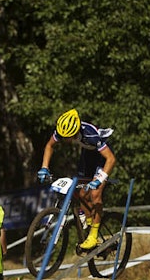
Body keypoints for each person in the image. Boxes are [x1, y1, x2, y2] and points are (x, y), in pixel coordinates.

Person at [36, 108, 117, 252]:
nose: (65, 140)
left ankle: (93, 235)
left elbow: (111, 159)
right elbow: (49, 146)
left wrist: (100, 179)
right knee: (81, 193)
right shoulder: (62, 130)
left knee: (95, 194)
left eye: (68, 137)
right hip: (87, 156)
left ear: (76, 131)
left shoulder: (90, 134)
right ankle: (90, 222)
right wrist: (44, 167)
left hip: (103, 158)